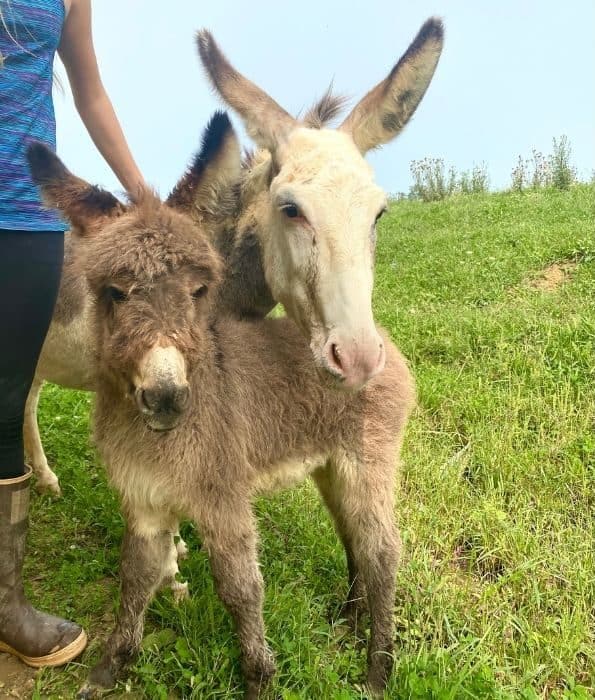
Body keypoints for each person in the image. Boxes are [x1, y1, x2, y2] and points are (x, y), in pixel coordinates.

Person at [0, 0, 145, 668]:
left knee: (5, 403)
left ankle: (6, 606)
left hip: (26, 220)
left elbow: (90, 92)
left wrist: (142, 192)